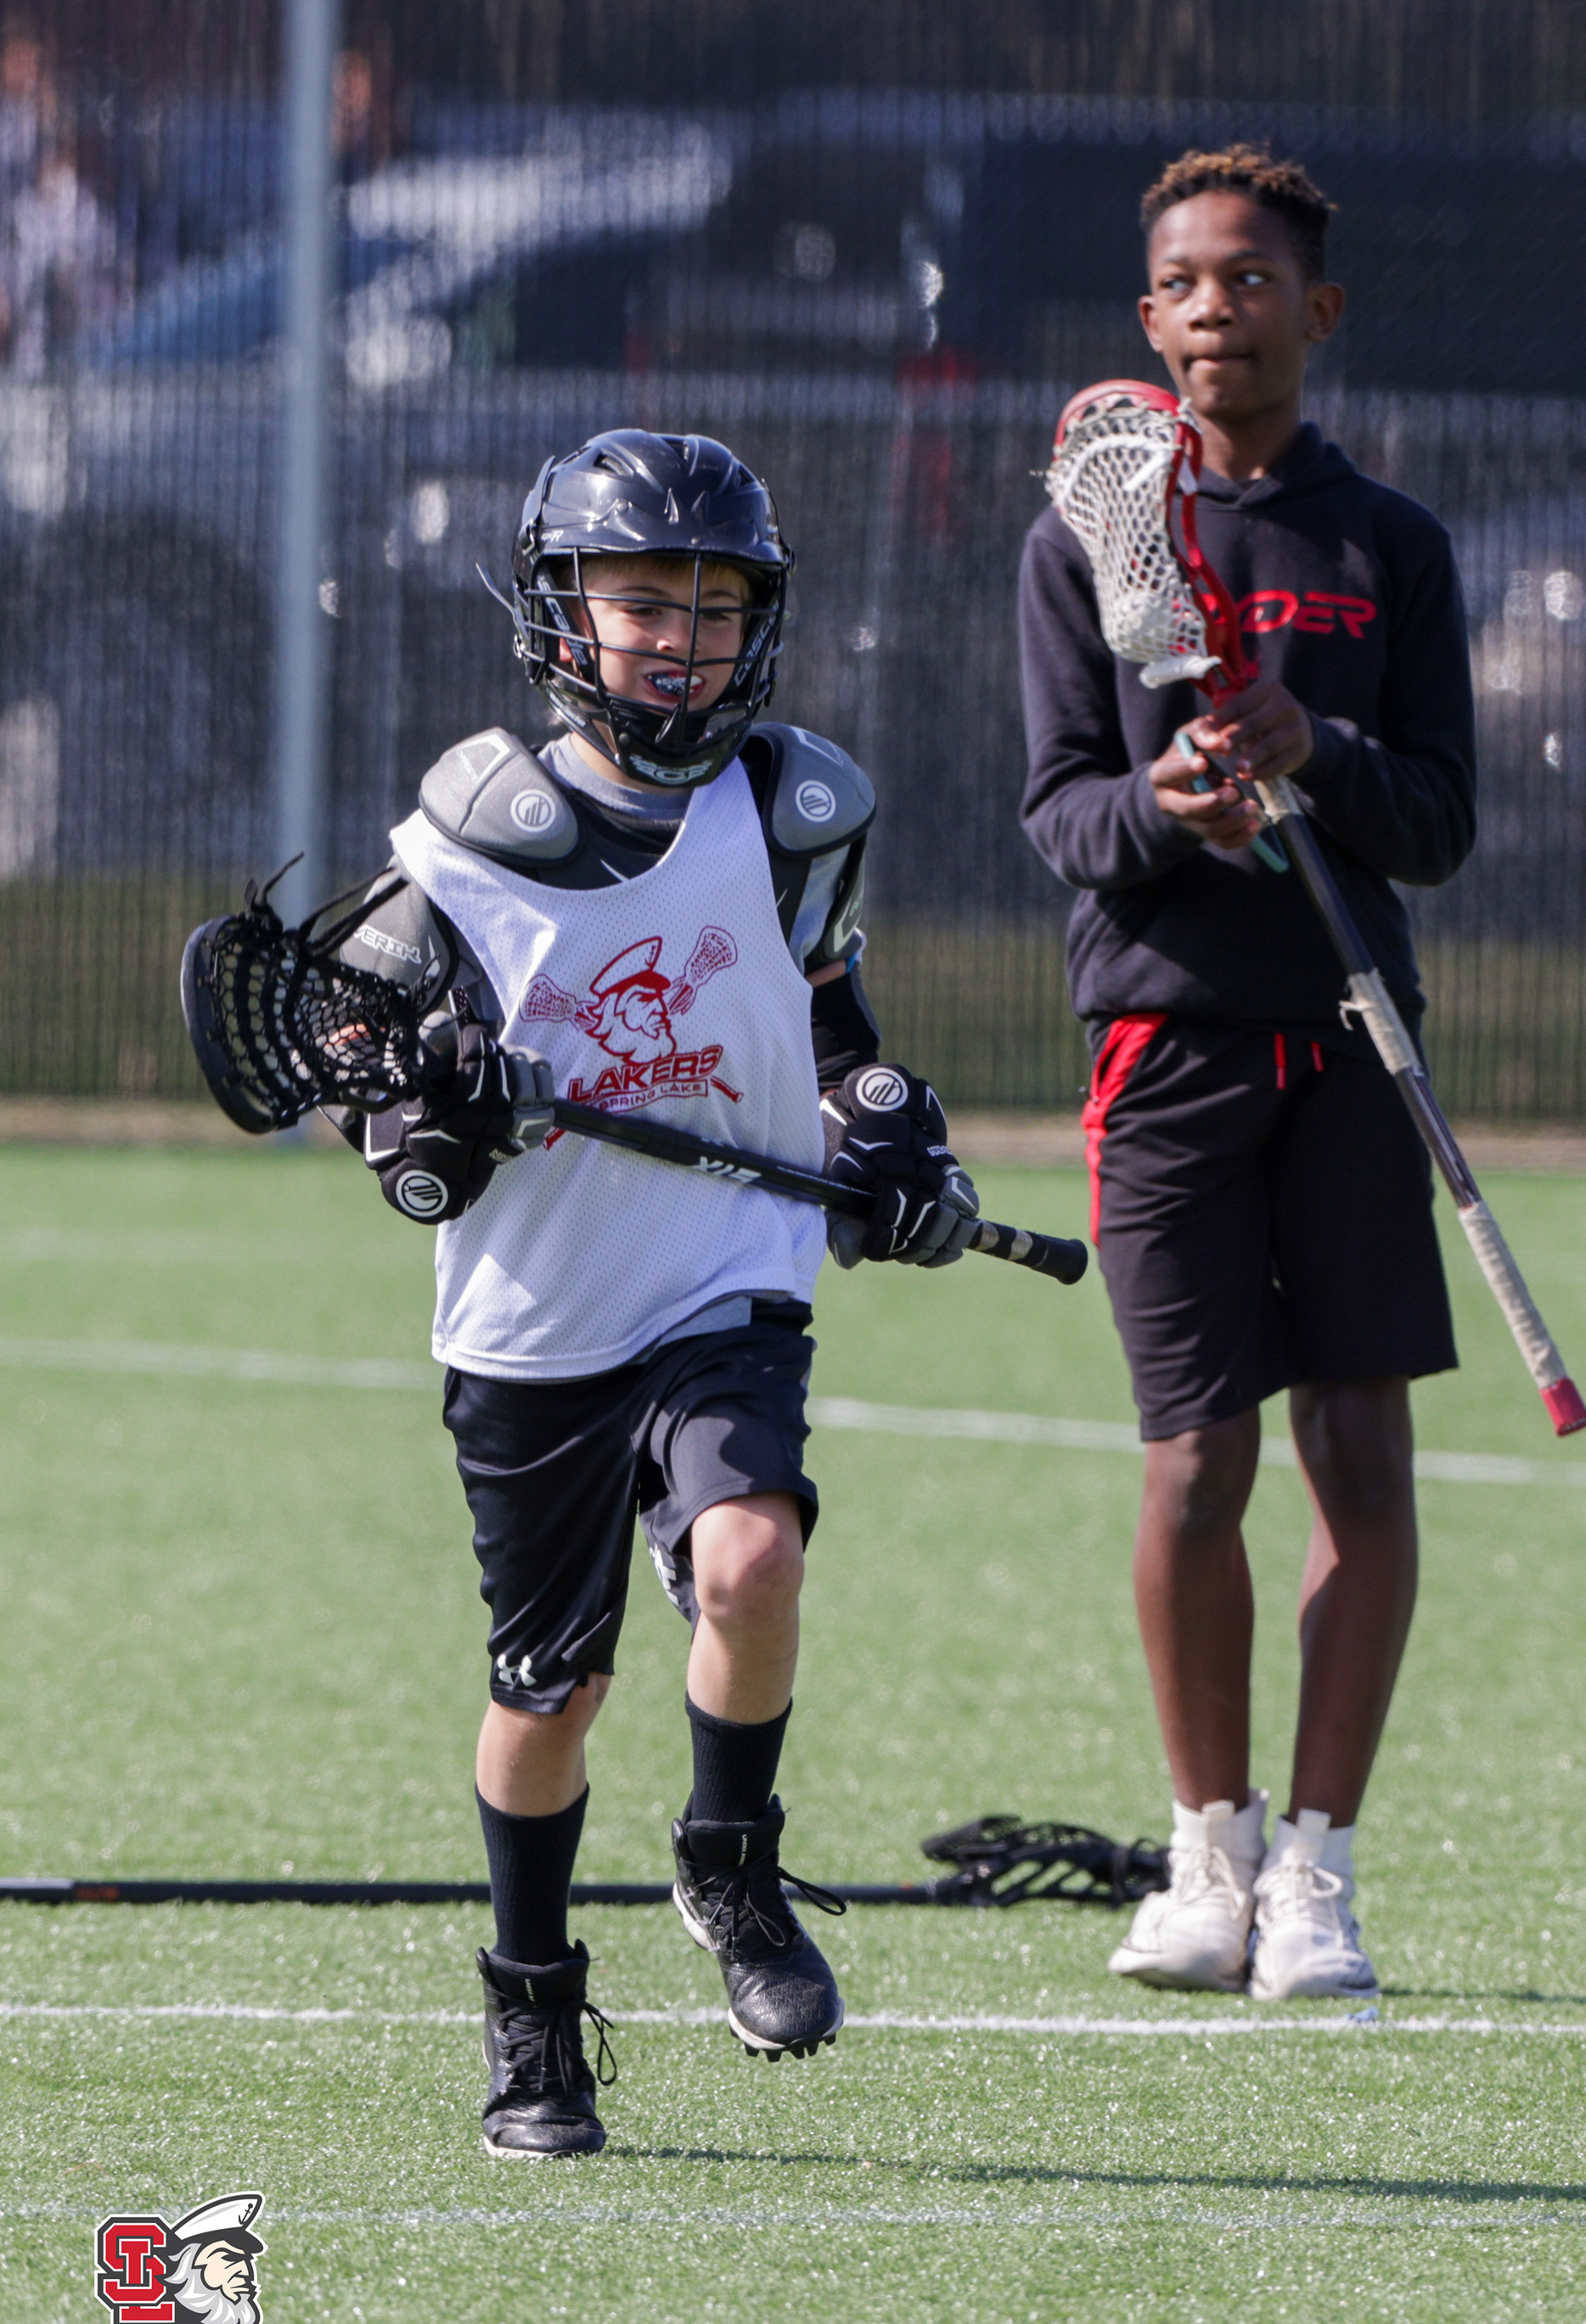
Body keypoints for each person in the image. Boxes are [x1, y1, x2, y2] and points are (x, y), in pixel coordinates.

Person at [332, 428, 978, 2154]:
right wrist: (431, 1112)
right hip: (537, 1319)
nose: (679, 641)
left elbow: (826, 1026)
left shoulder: (795, 816)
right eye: (641, 604)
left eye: (713, 607)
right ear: (562, 613)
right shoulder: (471, 838)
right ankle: (532, 2001)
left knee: (752, 1557)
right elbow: (372, 1090)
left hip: (722, 1280)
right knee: (549, 1693)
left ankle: (729, 1862)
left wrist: (883, 1132)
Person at [1017, 146, 1476, 1999]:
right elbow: (1063, 812)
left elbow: (1437, 820)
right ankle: (1205, 1858)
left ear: (1319, 310)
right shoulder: (1085, 539)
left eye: (1255, 279)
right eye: (1189, 284)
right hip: (1167, 1045)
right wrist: (1170, 805)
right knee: (1197, 1457)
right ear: (1151, 321)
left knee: (1358, 1449)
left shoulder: (1393, 547)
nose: (1222, 308)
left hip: (1355, 1041)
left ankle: (1317, 1872)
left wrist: (1321, 754)